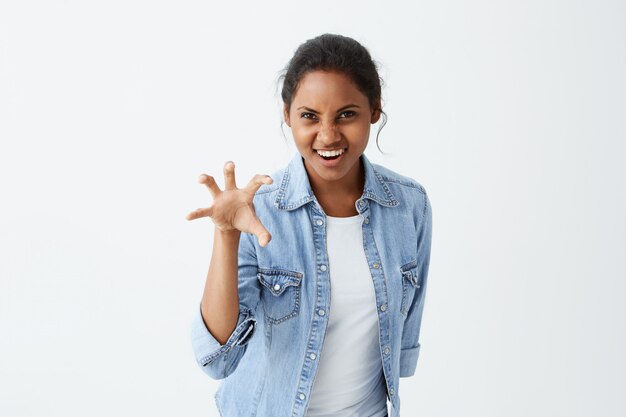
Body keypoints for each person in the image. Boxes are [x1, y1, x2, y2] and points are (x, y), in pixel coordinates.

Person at [186, 33, 433, 417]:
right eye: (309, 117)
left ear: (374, 110)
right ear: (288, 116)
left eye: (347, 114)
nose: (329, 135)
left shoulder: (409, 205)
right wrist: (227, 235)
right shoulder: (261, 210)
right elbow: (218, 359)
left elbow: (401, 345)